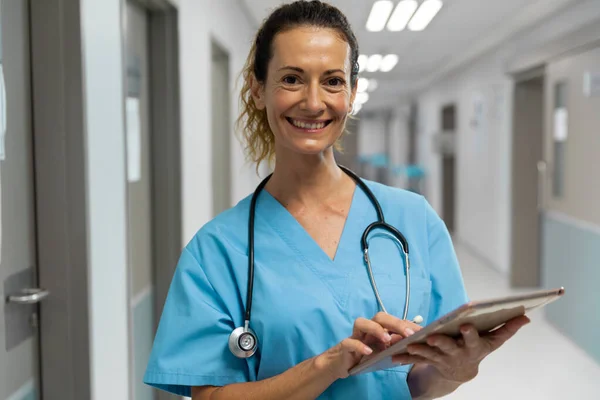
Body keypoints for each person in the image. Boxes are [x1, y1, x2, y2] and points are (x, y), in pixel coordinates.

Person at [143, 1, 530, 399]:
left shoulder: (413, 220)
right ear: (258, 90)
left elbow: (419, 383)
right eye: (292, 79)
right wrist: (325, 367)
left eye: (332, 81)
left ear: (352, 92)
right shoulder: (217, 250)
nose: (313, 102)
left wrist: (459, 370)